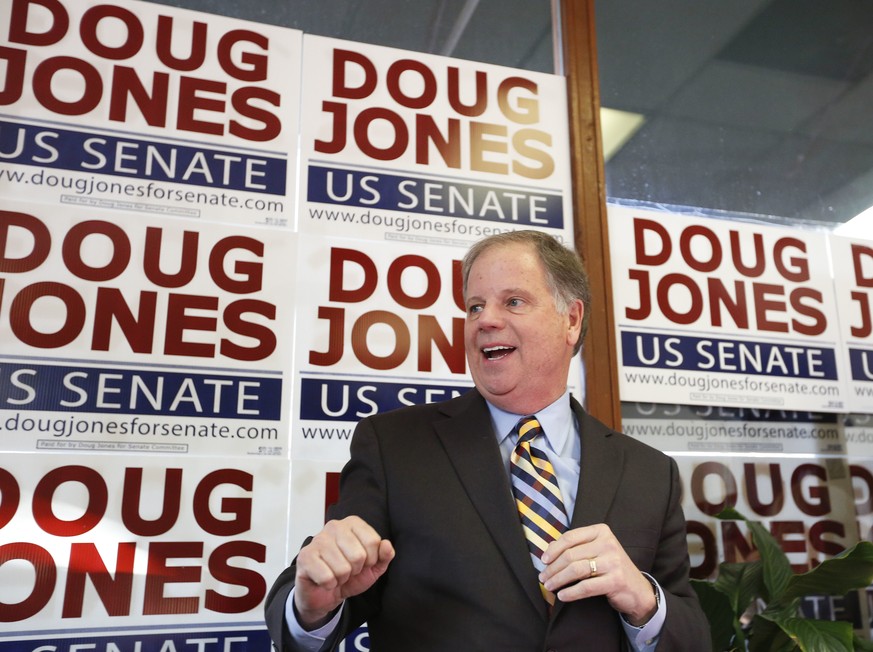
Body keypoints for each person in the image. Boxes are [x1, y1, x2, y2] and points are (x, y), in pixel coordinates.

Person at [265, 230, 710, 651]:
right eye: (474, 307)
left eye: (512, 301)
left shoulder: (651, 473)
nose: (485, 321)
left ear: (571, 320)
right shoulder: (394, 446)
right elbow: (315, 601)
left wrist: (642, 599)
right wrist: (312, 605)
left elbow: (691, 635)